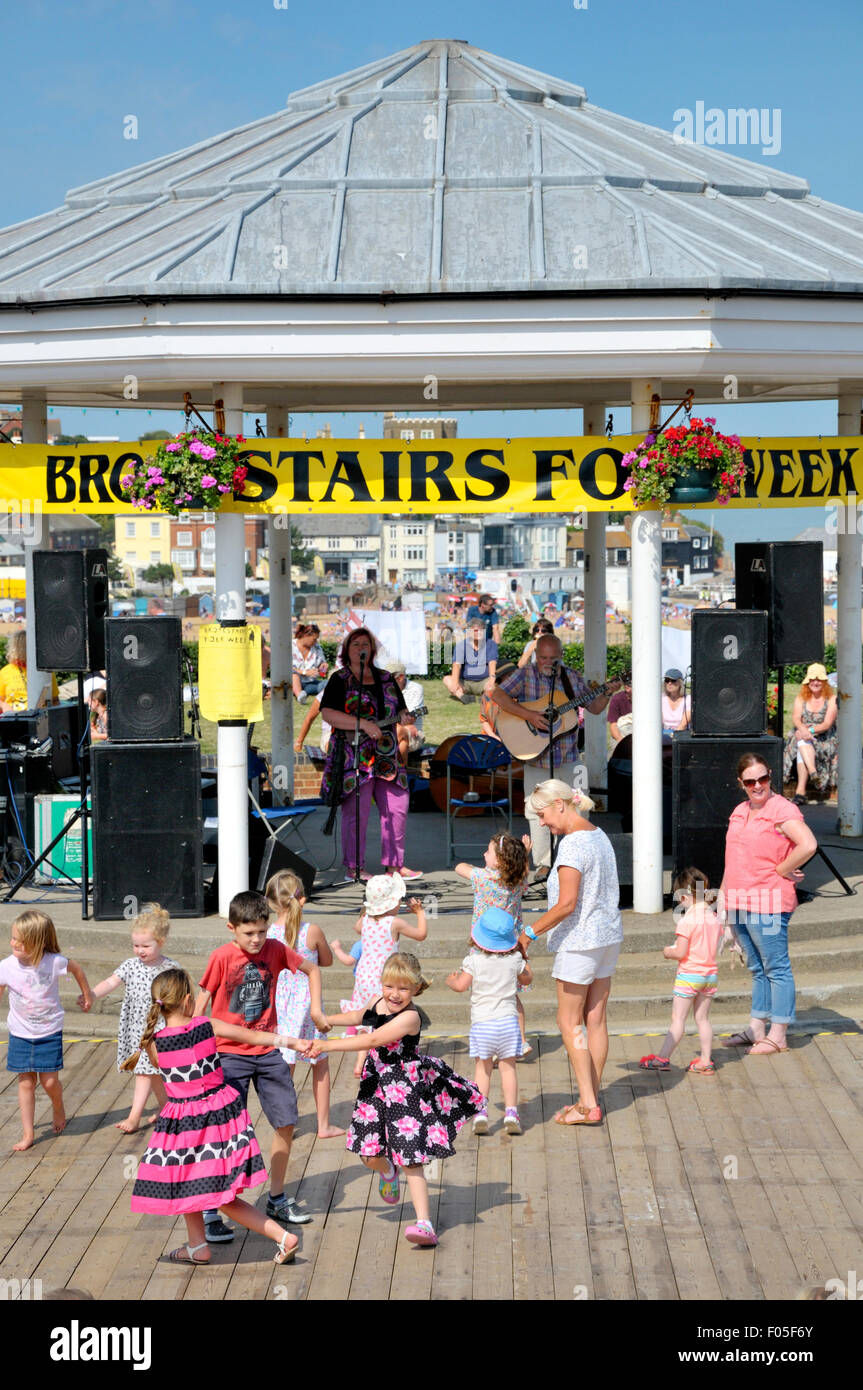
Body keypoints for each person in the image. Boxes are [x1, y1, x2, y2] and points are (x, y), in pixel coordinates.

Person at [125, 967, 307, 1266]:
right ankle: (198, 1247)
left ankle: (283, 1237)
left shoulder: (154, 1043)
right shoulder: (207, 1025)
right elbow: (255, 1036)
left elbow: (170, 1080)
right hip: (220, 1119)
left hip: (182, 1124)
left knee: (206, 1189)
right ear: (187, 1000)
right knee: (193, 1184)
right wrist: (293, 1043)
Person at [309, 951, 486, 1248]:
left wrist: (325, 1044)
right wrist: (327, 1020)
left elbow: (371, 1039)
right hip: (374, 1084)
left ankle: (424, 1223)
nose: (395, 994)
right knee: (368, 1154)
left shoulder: (411, 1017)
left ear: (416, 988)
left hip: (404, 1088)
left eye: (403, 988)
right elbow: (359, 1018)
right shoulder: (378, 1002)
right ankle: (388, 1171)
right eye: (389, 986)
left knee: (411, 1158)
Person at [195, 890, 327, 1244]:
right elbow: (202, 1000)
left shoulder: (276, 949)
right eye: (248, 933)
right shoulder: (221, 956)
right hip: (228, 1053)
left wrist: (316, 1010)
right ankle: (213, 1207)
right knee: (225, 1132)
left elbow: (313, 969)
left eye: (261, 932)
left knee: (286, 1121)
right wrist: (190, 1041)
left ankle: (277, 1198)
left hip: (269, 1051)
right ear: (232, 928)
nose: (256, 940)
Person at [516, 782, 622, 1125]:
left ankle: (588, 1105)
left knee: (568, 1021)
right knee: (596, 1019)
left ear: (560, 805)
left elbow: (567, 903)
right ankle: (590, 1095)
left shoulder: (573, 844)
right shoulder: (598, 834)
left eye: (543, 815)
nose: (542, 823)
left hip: (580, 941)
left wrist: (529, 932)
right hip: (607, 936)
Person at [491, 635, 620, 879]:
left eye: (552, 658)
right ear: (536, 655)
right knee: (537, 810)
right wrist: (528, 715)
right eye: (543, 658)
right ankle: (543, 864)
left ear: (560, 655)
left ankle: (580, 857)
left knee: (581, 805)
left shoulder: (570, 677)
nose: (547, 662)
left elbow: (593, 707)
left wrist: (607, 692)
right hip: (536, 756)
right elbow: (497, 695)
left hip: (569, 756)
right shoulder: (525, 674)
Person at [720, 753, 817, 1056]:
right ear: (741, 783)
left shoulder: (782, 810)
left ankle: (779, 1034)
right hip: (738, 899)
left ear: (770, 776)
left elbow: (809, 844)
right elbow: (731, 860)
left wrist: (782, 869)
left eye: (763, 778)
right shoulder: (738, 811)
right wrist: (722, 903)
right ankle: (757, 1028)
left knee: (775, 967)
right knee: (757, 968)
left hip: (769, 901)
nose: (758, 785)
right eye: (751, 781)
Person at [319, 626, 421, 881]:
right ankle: (354, 868)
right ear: (346, 650)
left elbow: (400, 712)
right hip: (354, 755)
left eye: (365, 644)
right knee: (356, 812)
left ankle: (394, 866)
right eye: (355, 644)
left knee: (397, 808)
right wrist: (362, 724)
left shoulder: (387, 679)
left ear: (373, 650)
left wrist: (406, 719)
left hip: (387, 754)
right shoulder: (339, 679)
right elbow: (328, 713)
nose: (361, 648)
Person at [0, 910, 93, 1151]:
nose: (13, 943)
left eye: (20, 940)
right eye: (12, 938)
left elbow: (77, 970)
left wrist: (86, 994)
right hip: (20, 1032)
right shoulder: (7, 966)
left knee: (50, 1082)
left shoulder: (54, 962)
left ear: (38, 943)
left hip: (49, 1030)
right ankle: (28, 1132)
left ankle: (57, 1104)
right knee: (25, 1082)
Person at [265, 870, 344, 1140]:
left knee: (284, 1067)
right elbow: (327, 961)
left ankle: (283, 1123)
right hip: (309, 1005)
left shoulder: (267, 933)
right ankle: (323, 1125)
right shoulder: (312, 931)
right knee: (319, 1063)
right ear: (302, 899)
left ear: (271, 902)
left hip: (281, 1006)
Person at [88, 904, 180, 1133]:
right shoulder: (130, 965)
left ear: (161, 942)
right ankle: (168, 1108)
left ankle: (134, 1116)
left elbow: (179, 996)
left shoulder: (169, 967)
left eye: (146, 946)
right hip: (135, 1028)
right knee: (152, 1072)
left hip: (157, 1030)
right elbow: (111, 981)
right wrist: (92, 994)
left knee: (145, 1071)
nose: (140, 950)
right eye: (136, 945)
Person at [446, 907, 532, 1135]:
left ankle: (481, 1113)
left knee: (483, 1070)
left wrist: (452, 980)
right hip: (508, 1024)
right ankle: (511, 1112)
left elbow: (461, 986)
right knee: (508, 1069)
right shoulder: (514, 959)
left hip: (482, 1025)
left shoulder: (473, 961)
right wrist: (524, 957)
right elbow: (527, 977)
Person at [339, 874, 427, 1078]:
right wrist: (420, 912)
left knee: (368, 1018)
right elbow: (421, 934)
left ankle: (360, 1062)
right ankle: (385, 1058)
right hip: (384, 976)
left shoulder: (366, 920)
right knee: (384, 1019)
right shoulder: (395, 922)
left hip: (364, 975)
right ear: (391, 902)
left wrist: (368, 911)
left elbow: (356, 927)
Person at [639, 868, 723, 1074]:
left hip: (689, 976)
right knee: (702, 1019)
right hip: (710, 975)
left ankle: (662, 1058)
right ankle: (705, 1060)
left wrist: (668, 951)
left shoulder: (687, 921)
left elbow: (681, 951)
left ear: (685, 896)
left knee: (678, 1019)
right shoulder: (714, 919)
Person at [454, 832, 532, 1053]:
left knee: (481, 993)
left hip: (484, 947)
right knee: (511, 995)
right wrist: (524, 855)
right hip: (509, 946)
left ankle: (490, 1044)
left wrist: (475, 866)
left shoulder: (483, 878)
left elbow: (459, 867)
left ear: (498, 860)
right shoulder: (518, 880)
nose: (484, 853)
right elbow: (521, 870)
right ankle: (521, 1040)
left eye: (488, 851)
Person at [782, 663, 838, 804]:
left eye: (819, 679)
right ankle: (812, 773)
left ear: (824, 682)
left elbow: (827, 724)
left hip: (824, 736)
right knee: (802, 741)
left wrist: (810, 731)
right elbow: (796, 718)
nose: (815, 682)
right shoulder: (801, 698)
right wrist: (804, 730)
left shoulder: (832, 699)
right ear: (807, 681)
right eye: (812, 679)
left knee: (802, 742)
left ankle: (800, 792)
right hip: (803, 733)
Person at [0, 631, 59, 711]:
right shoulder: (5, 672)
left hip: (40, 719)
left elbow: (55, 700)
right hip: (14, 719)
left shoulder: (45, 670)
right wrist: (4, 706)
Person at [442, 619, 498, 704]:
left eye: (481, 630)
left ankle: (485, 696)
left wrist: (491, 680)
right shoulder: (461, 645)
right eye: (475, 630)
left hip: (484, 681)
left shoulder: (491, 644)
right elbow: (457, 665)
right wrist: (454, 683)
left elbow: (492, 663)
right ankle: (464, 697)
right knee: (447, 679)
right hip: (465, 683)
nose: (479, 633)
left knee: (495, 685)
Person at [384, 659, 425, 758]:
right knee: (400, 739)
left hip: (415, 734)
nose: (385, 682)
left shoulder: (415, 689)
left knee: (398, 732)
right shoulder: (385, 689)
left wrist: (404, 725)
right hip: (392, 730)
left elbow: (411, 718)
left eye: (389, 679)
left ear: (401, 677)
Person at [292, 623, 329, 704]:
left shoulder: (317, 647)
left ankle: (304, 693)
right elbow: (285, 668)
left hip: (310, 683)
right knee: (294, 675)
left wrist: (323, 666)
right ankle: (299, 695)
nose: (315, 642)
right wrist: (305, 672)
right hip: (292, 682)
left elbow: (321, 663)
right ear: (305, 635)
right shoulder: (290, 646)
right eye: (314, 639)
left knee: (328, 683)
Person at [662, 669, 690, 734]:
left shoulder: (688, 700)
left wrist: (673, 736)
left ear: (680, 683)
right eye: (667, 680)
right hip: (663, 735)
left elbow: (684, 724)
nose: (669, 683)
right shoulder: (660, 699)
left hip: (681, 736)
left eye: (673, 680)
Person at [607, 678, 633, 745]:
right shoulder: (617, 699)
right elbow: (613, 725)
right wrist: (623, 743)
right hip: (621, 735)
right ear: (627, 688)